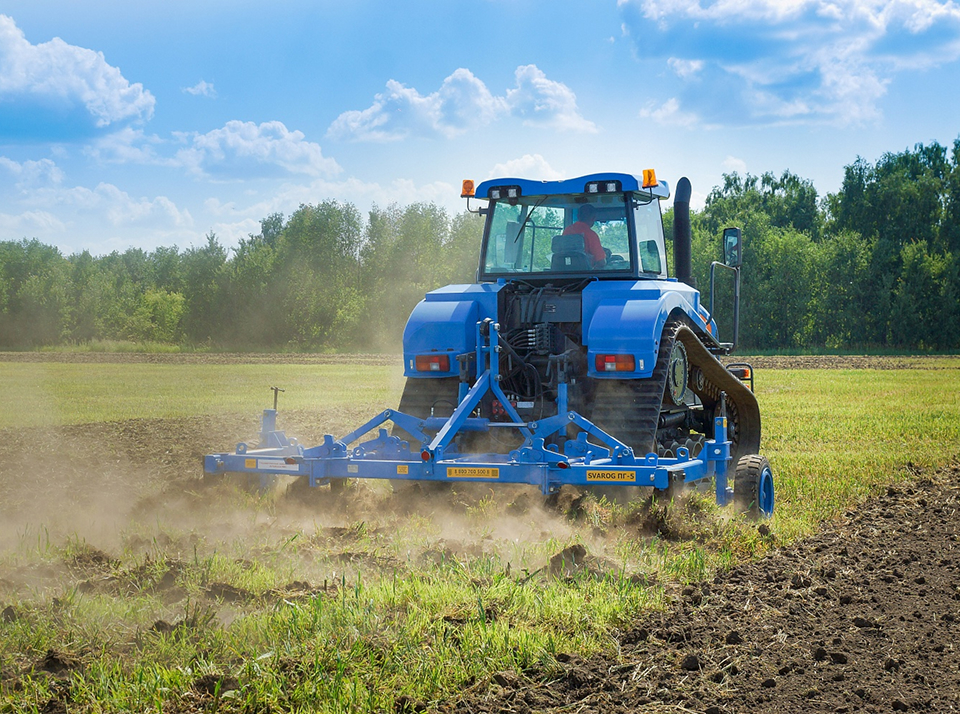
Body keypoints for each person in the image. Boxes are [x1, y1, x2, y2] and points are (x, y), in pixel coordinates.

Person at [562, 203, 605, 268]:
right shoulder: (591, 234)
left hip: (565, 273)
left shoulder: (567, 231)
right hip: (586, 275)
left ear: (578, 216)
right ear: (593, 218)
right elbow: (601, 262)